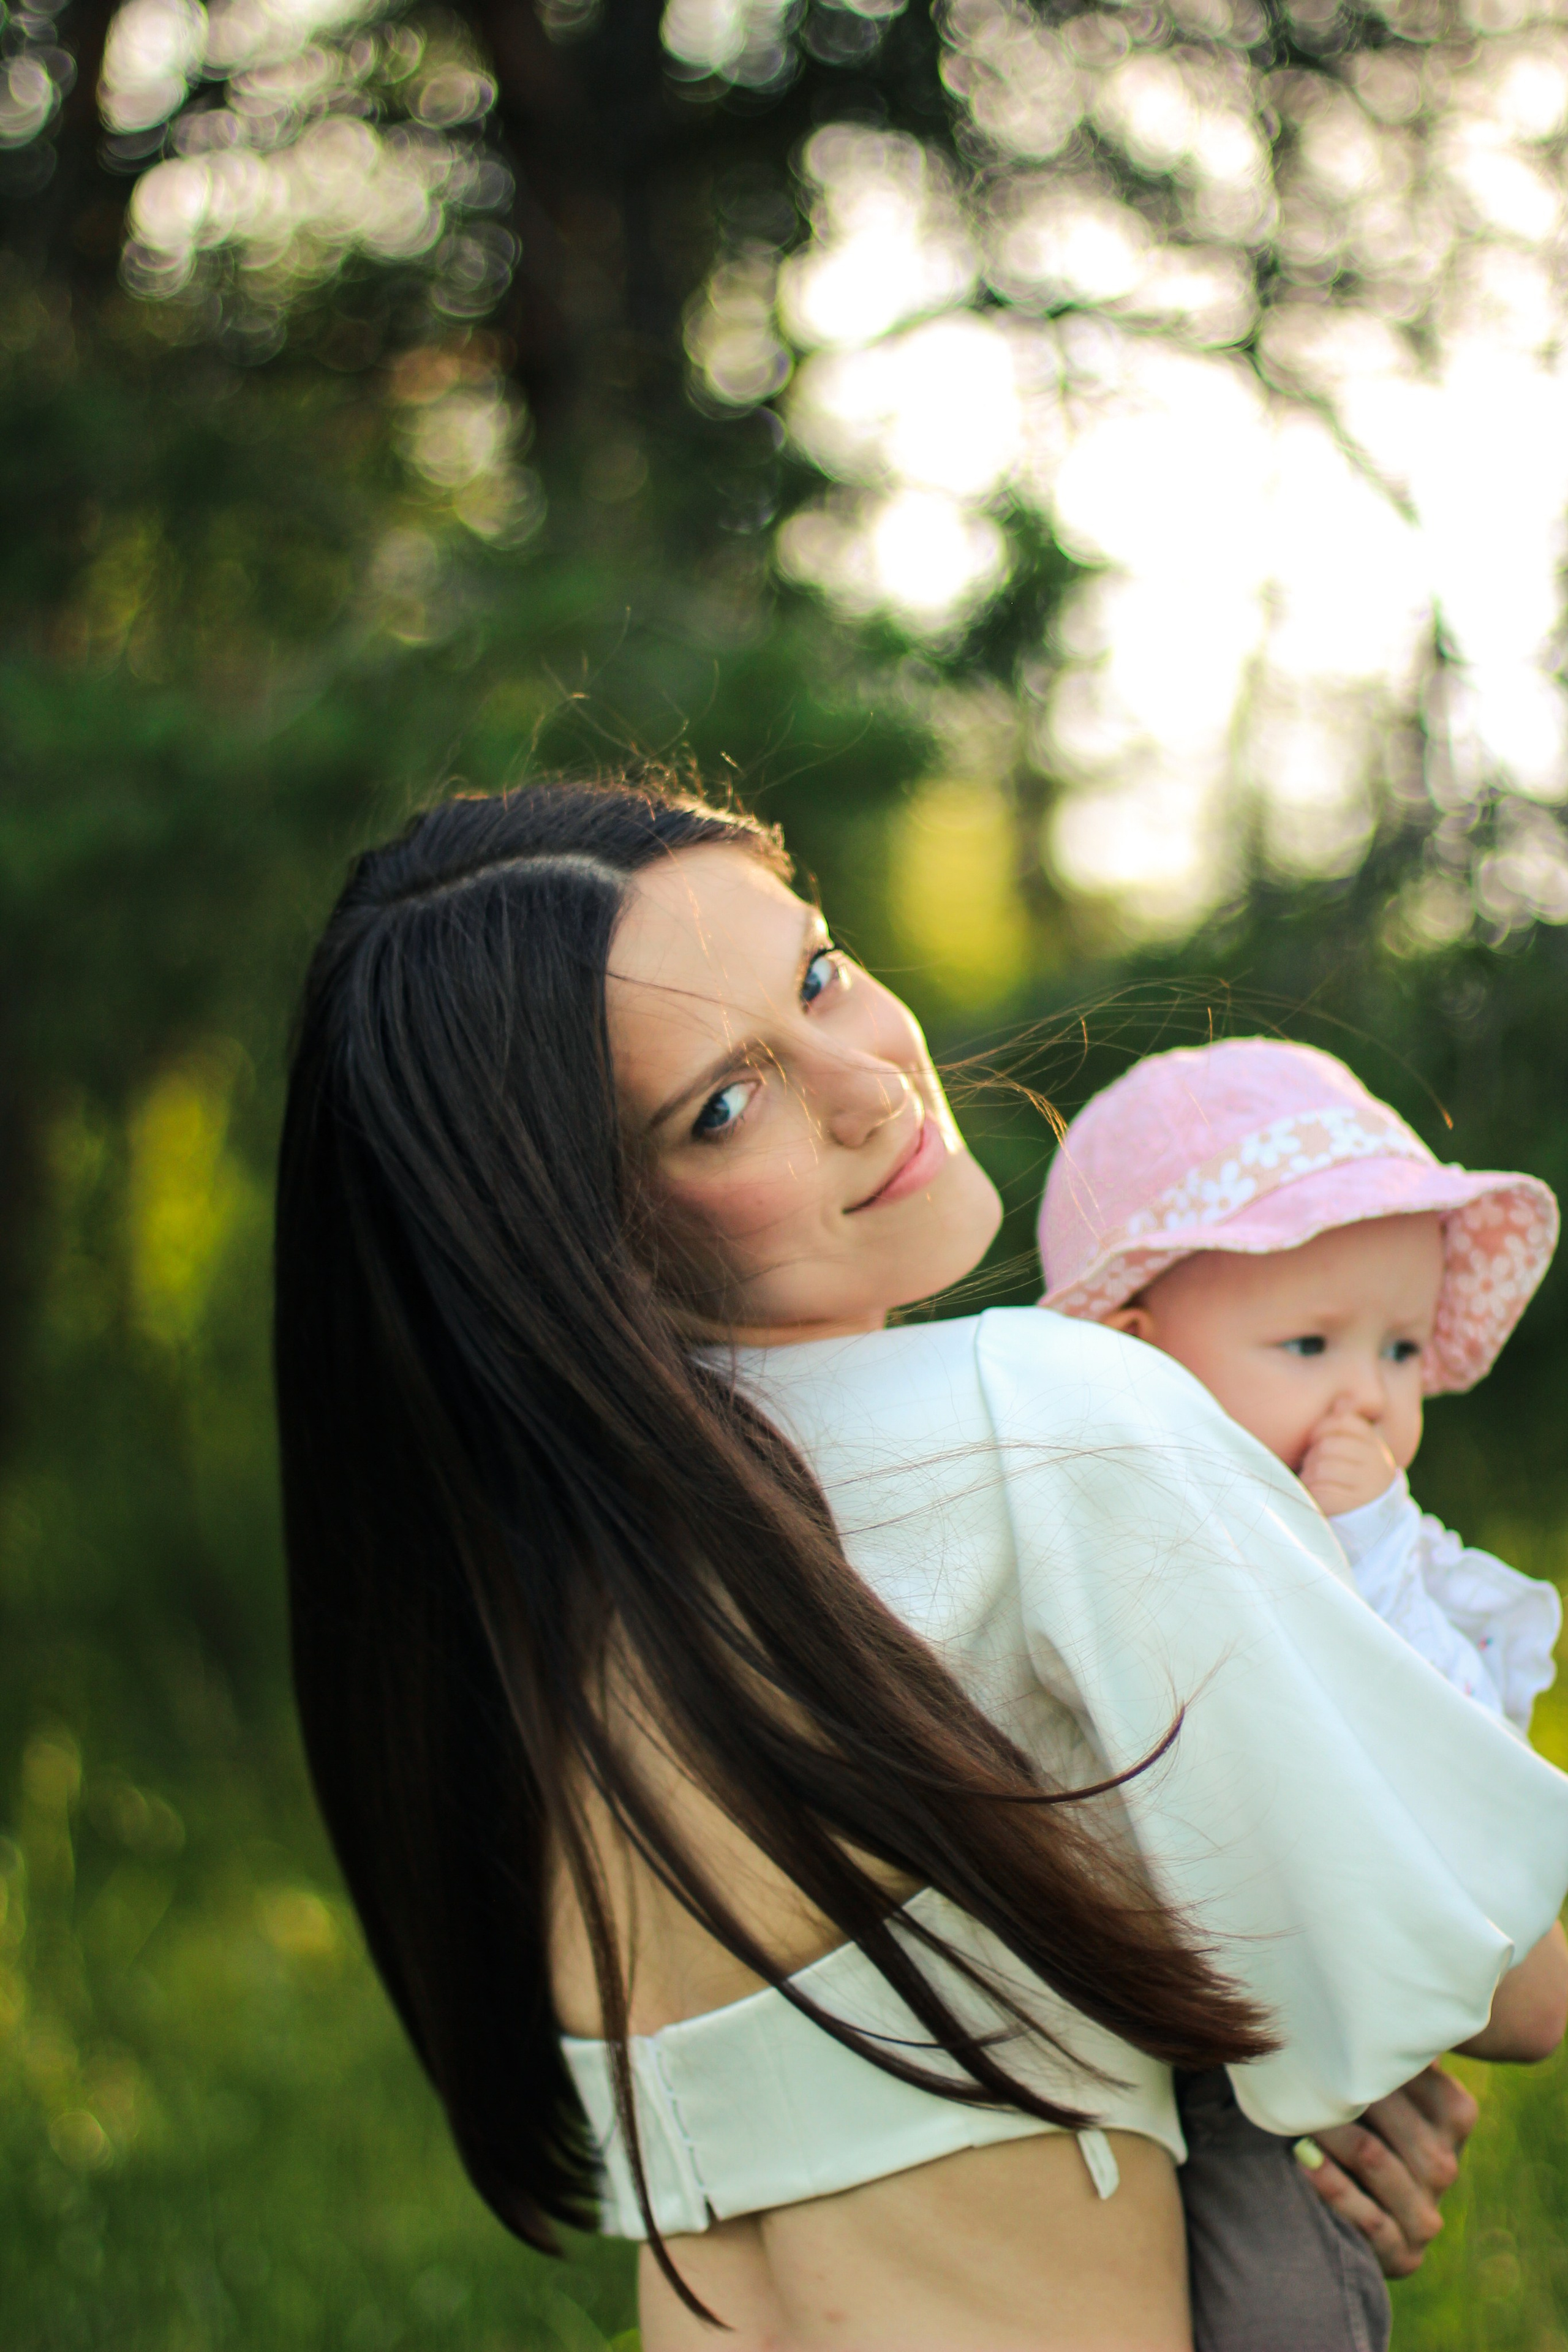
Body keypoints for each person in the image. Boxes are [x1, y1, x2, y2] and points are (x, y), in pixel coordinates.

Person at [274, 780, 1568, 2352]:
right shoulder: (1036, 1431)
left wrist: (1297, 2075)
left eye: (814, 975)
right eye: (721, 1105)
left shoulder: (547, 1600)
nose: (868, 1083)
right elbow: (1516, 1971)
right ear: (584, 1234)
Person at [1036, 1033, 1566, 2345]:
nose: (1369, 1403)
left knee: (1278, 2303)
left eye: (1396, 1351)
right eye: (1308, 1341)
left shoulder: (1369, 1567)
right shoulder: (1096, 1532)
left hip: (1272, 2076)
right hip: (1092, 2059)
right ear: (1135, 1355)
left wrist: (1371, 1560)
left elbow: (1452, 1775)